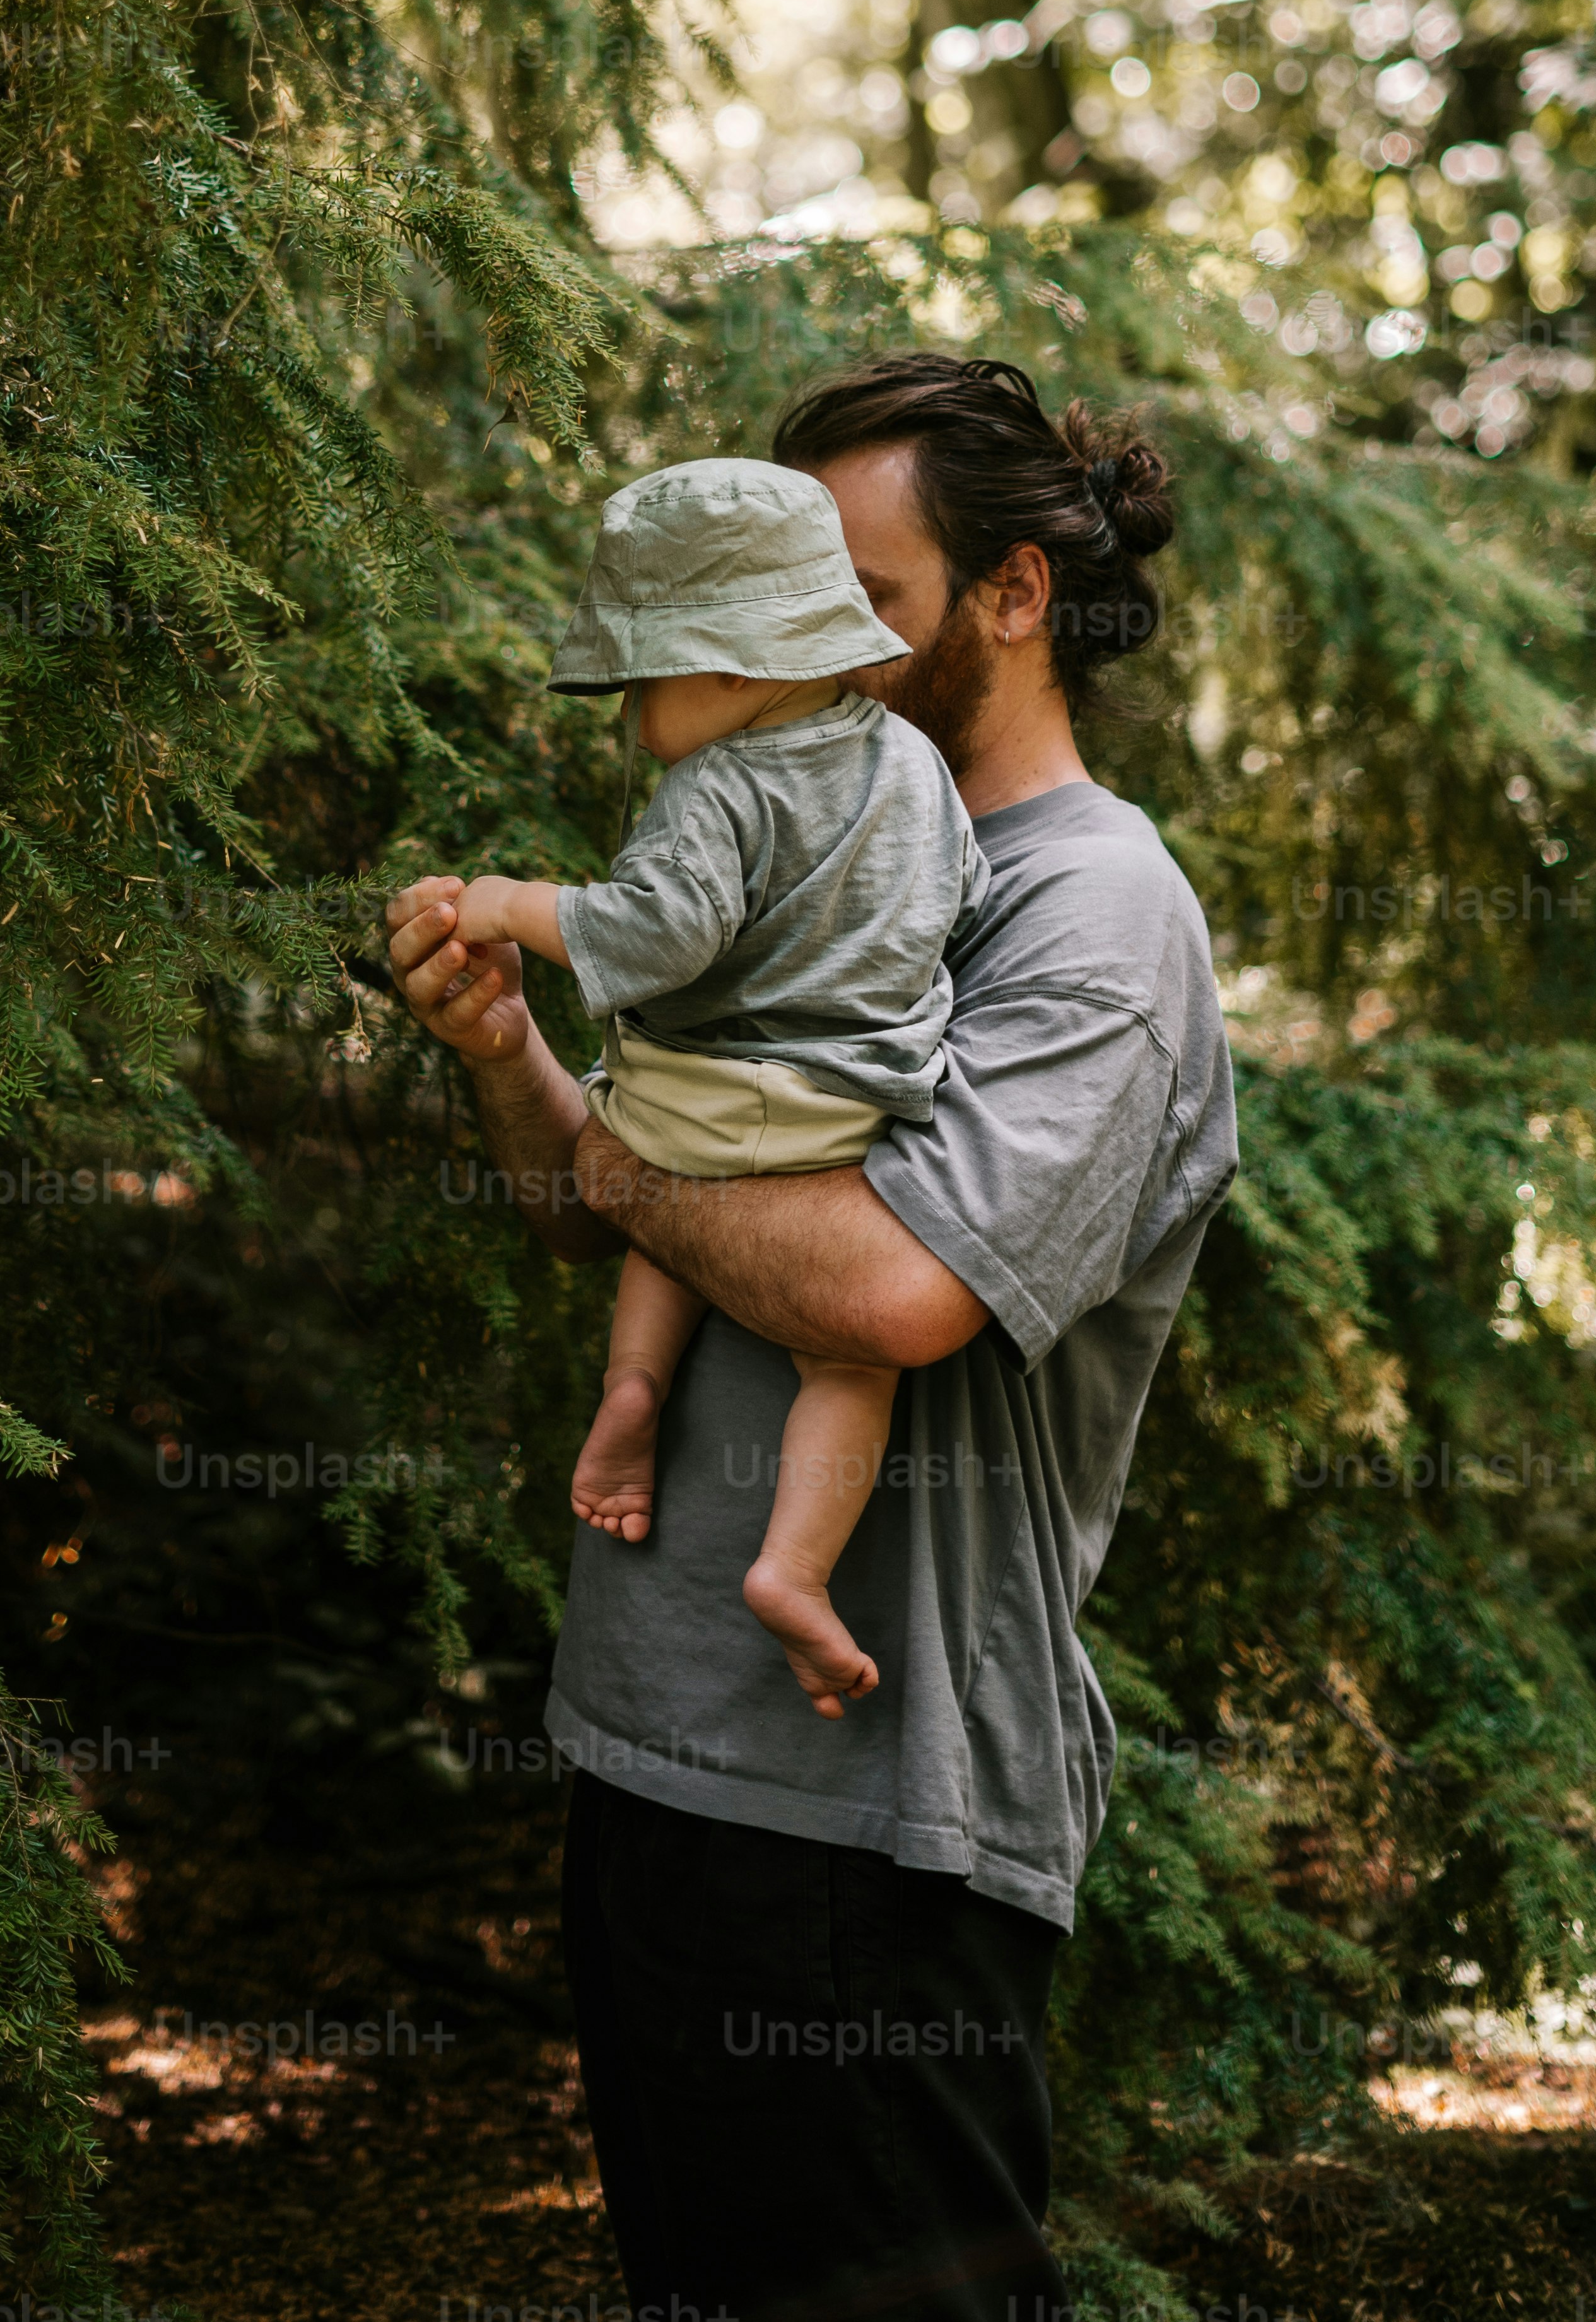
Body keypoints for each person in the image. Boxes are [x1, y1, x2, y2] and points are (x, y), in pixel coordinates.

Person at [385, 353, 1238, 2322]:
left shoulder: (1093, 912)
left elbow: (885, 1289)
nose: (802, 645)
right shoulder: (793, 838)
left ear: (1012, 596)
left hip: (875, 1814)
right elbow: (617, 1200)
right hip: (663, 1745)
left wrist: (628, 1166)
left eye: (854, 593)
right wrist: (513, 1050)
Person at [445, 454, 988, 1713]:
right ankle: (794, 1570)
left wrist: (507, 903)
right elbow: (963, 900)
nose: (634, 720)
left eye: (644, 680)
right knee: (848, 1372)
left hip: (692, 1095)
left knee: (658, 1178)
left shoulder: (717, 786)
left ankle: (631, 1386)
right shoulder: (912, 763)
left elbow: (649, 938)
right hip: (848, 1112)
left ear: (739, 666)